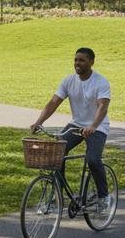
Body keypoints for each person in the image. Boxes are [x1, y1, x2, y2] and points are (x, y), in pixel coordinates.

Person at [29, 47, 112, 213]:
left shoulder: (101, 82)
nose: (77, 63)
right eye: (75, 60)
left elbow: (102, 106)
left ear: (91, 62)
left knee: (93, 159)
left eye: (82, 60)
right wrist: (38, 122)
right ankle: (56, 198)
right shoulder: (68, 80)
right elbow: (53, 102)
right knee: (56, 155)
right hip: (76, 125)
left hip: (97, 126)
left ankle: (104, 197)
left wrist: (93, 126)